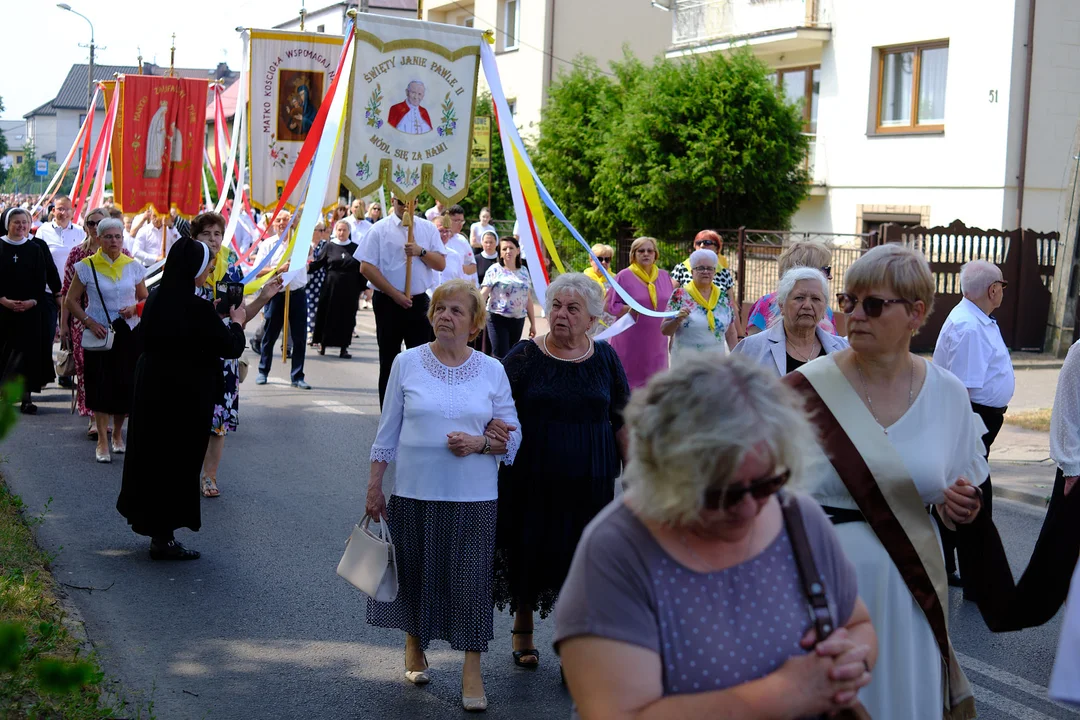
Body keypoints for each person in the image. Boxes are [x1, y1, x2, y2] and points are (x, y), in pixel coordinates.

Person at [556, 353, 875, 719]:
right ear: (665, 474)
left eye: (768, 482)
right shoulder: (617, 551)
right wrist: (786, 692)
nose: (748, 509)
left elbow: (858, 624)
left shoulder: (798, 517)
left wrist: (852, 659)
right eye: (720, 494)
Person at [784, 243, 986, 719]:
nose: (855, 315)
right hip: (818, 583)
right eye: (849, 301)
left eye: (873, 305)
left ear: (916, 313)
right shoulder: (801, 390)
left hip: (909, 591)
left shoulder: (949, 395)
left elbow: (957, 491)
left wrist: (959, 507)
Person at [364, 279, 521, 712]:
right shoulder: (407, 363)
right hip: (414, 491)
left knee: (470, 584)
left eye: (456, 311)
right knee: (414, 573)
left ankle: (472, 669)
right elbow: (388, 430)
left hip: (474, 496)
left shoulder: (492, 370)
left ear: (474, 325)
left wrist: (481, 444)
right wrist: (375, 486)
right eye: (440, 309)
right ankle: (415, 644)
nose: (446, 316)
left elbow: (513, 433)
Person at [494, 273, 629, 671]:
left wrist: (636, 475)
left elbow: (622, 418)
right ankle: (523, 629)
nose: (562, 315)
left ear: (591, 319)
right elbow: (493, 405)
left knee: (583, 559)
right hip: (532, 475)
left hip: (591, 478)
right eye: (555, 306)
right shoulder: (523, 356)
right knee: (529, 547)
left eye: (573, 309)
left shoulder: (605, 357)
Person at [116, 238, 253, 561]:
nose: (207, 272)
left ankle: (153, 527)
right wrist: (237, 322)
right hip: (183, 394)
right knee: (177, 461)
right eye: (205, 266)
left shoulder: (159, 297)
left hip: (152, 386)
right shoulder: (195, 306)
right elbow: (229, 346)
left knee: (152, 457)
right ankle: (163, 538)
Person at [932, 259, 1014, 590]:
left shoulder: (975, 318)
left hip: (980, 416)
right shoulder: (969, 327)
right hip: (973, 417)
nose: (1002, 292)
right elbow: (962, 390)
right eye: (1002, 286)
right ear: (994, 290)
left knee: (963, 491)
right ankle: (974, 577)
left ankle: (948, 565)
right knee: (972, 493)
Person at [193, 212, 282, 498]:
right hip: (192, 356)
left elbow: (240, 318)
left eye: (217, 234)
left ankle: (209, 477)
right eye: (206, 234)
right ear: (195, 239)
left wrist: (264, 297)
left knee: (217, 423)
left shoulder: (230, 273)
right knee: (191, 417)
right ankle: (185, 472)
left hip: (223, 358)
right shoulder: (186, 271)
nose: (213, 239)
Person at [64, 218, 148, 463]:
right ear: (98, 239)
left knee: (124, 385)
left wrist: (135, 308)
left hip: (128, 333)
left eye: (118, 236)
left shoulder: (133, 266)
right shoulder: (86, 266)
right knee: (100, 385)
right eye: (109, 237)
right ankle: (102, 439)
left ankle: (118, 434)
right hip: (99, 332)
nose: (114, 241)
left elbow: (145, 298)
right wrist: (88, 322)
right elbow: (70, 300)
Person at [358, 195, 446, 406]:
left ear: (416, 202)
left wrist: (420, 251)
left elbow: (440, 263)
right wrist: (394, 294)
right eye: (400, 202)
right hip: (389, 301)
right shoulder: (379, 229)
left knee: (422, 358)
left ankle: (418, 408)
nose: (405, 206)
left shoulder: (427, 228)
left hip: (418, 301)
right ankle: (388, 412)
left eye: (410, 201)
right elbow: (366, 267)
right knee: (389, 358)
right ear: (392, 201)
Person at [60, 208, 125, 433]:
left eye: (101, 223)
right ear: (86, 226)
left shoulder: (123, 254)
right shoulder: (77, 254)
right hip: (83, 322)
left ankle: (109, 416)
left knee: (113, 370)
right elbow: (68, 294)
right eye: (91, 223)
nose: (95, 227)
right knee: (88, 370)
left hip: (116, 323)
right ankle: (93, 419)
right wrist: (64, 325)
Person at [732, 267, 849, 375]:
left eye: (815, 299)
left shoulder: (843, 350)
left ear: (824, 309)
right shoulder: (752, 348)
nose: (807, 305)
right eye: (799, 298)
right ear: (781, 305)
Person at [0, 208, 51, 413]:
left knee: (27, 353)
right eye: (16, 222)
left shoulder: (34, 248)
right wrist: (2, 299)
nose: (21, 226)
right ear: (8, 224)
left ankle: (26, 397)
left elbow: (41, 278)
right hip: (3, 310)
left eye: (25, 222)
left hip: (29, 310)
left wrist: (32, 300)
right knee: (4, 352)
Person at [253, 210, 312, 389]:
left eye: (286, 220)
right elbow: (258, 270)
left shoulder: (301, 243)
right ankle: (263, 371)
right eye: (278, 220)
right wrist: (278, 269)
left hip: (297, 294)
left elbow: (309, 252)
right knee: (270, 335)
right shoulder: (268, 245)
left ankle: (297, 376)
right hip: (276, 294)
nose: (282, 223)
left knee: (299, 337)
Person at [605, 237, 674, 389]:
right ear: (633, 255)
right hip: (629, 340)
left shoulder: (664, 276)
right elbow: (609, 305)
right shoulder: (624, 276)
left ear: (655, 254)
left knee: (656, 385)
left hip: (656, 341)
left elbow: (670, 305)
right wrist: (629, 309)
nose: (646, 254)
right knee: (626, 386)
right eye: (641, 251)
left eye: (650, 251)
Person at [34, 194, 82, 385]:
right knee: (46, 334)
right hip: (48, 292)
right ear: (53, 210)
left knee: (69, 333)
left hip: (73, 292)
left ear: (72, 211)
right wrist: (54, 292)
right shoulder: (43, 231)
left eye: (66, 209)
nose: (63, 212)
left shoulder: (79, 232)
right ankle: (43, 374)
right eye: (59, 208)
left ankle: (66, 372)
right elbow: (39, 261)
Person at [747, 240, 837, 336]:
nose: (830, 276)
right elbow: (753, 347)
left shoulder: (825, 308)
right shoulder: (767, 303)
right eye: (826, 270)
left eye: (815, 299)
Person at [660, 248, 738, 357]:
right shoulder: (680, 295)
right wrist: (677, 320)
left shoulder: (723, 297)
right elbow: (665, 330)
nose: (705, 271)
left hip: (716, 363)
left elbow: (731, 333)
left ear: (714, 272)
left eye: (710, 268)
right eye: (700, 268)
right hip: (686, 363)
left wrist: (737, 358)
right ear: (692, 272)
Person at [311, 220, 363, 359]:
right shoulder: (329, 247)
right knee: (327, 315)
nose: (341, 233)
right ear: (335, 231)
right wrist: (304, 267)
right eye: (339, 230)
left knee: (346, 318)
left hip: (350, 289)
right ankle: (323, 344)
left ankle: (344, 347)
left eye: (344, 230)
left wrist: (365, 288)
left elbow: (362, 269)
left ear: (349, 232)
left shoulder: (356, 248)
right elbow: (318, 264)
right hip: (330, 287)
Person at [481, 236, 535, 359]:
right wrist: (473, 313)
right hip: (497, 318)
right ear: (500, 253)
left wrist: (533, 324)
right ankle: (496, 378)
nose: (508, 251)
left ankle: (508, 378)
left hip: (518, 319)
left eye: (511, 248)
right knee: (501, 355)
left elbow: (528, 298)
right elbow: (483, 293)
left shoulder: (524, 271)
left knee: (512, 355)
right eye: (504, 249)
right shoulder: (494, 269)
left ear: (518, 250)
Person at [669, 230, 735, 293]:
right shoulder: (682, 268)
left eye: (707, 243)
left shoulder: (724, 273)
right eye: (698, 243)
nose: (702, 245)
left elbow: (731, 302)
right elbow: (669, 295)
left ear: (717, 248)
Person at [433, 209, 477, 287]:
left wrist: (458, 267)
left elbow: (473, 266)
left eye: (462, 221)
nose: (460, 224)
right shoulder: (425, 251)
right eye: (456, 221)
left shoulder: (461, 241)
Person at [305, 221, 331, 343]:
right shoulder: (306, 244)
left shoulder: (325, 245)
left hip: (320, 278)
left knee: (316, 305)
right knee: (306, 304)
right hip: (306, 278)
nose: (322, 233)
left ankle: (313, 331)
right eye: (319, 230)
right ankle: (307, 330)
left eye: (323, 230)